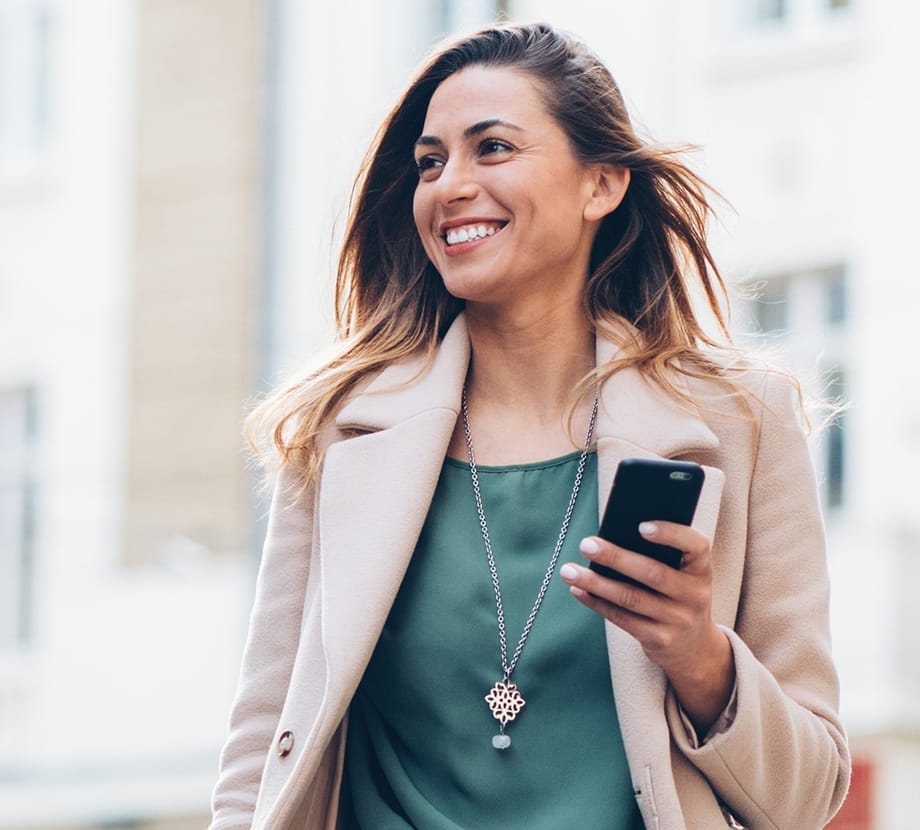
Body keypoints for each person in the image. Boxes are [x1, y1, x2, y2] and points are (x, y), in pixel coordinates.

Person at [209, 21, 850, 830]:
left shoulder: (741, 420)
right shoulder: (341, 430)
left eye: (494, 149)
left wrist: (698, 654)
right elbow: (264, 749)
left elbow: (809, 796)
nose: (450, 186)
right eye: (430, 163)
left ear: (602, 185)